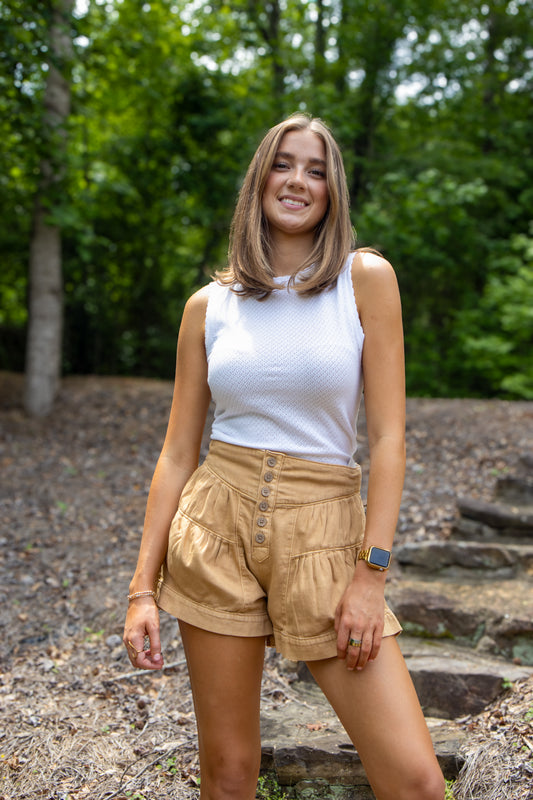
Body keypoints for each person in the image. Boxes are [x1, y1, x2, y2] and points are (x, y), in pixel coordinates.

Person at [123, 113, 445, 800]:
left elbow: (389, 439)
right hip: (215, 528)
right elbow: (178, 452)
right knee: (230, 774)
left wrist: (371, 575)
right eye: (284, 163)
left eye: (316, 169)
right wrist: (140, 589)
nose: (297, 180)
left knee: (415, 781)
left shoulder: (364, 281)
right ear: (259, 179)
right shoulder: (207, 306)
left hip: (324, 533)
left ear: (332, 193)